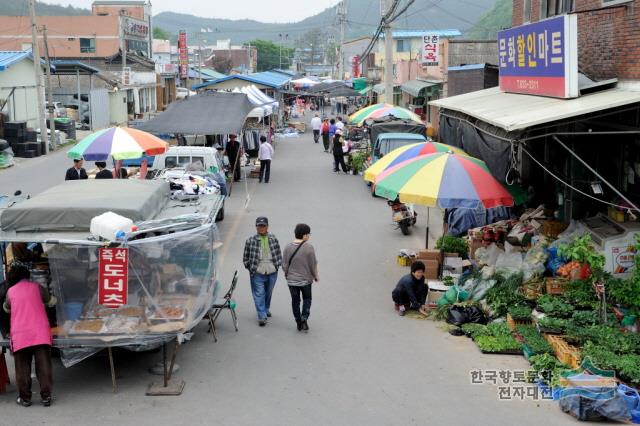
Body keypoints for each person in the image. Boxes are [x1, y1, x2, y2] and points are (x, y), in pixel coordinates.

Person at [3, 263, 56, 407]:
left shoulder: (10, 292)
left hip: (20, 334)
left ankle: (25, 398)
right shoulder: (37, 287)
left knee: (22, 368)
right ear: (27, 275)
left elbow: (7, 308)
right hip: (40, 332)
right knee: (43, 365)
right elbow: (51, 302)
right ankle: (46, 397)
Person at [243, 217, 282, 326]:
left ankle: (265, 308)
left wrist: (277, 265)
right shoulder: (250, 240)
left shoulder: (273, 238)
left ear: (267, 226)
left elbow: (278, 253)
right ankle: (262, 315)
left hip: (272, 272)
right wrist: (251, 269)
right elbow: (245, 257)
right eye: (259, 226)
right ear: (256, 227)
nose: (261, 228)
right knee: (259, 294)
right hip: (257, 273)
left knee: (268, 292)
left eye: (263, 226)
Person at [282, 224, 318, 332]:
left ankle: (298, 321)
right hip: (306, 281)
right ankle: (304, 318)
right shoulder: (309, 248)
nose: (309, 236)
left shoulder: (287, 247)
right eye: (308, 234)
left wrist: (288, 274)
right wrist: (315, 276)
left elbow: (284, 264)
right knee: (307, 299)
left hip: (292, 281)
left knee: (295, 301)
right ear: (304, 235)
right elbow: (313, 264)